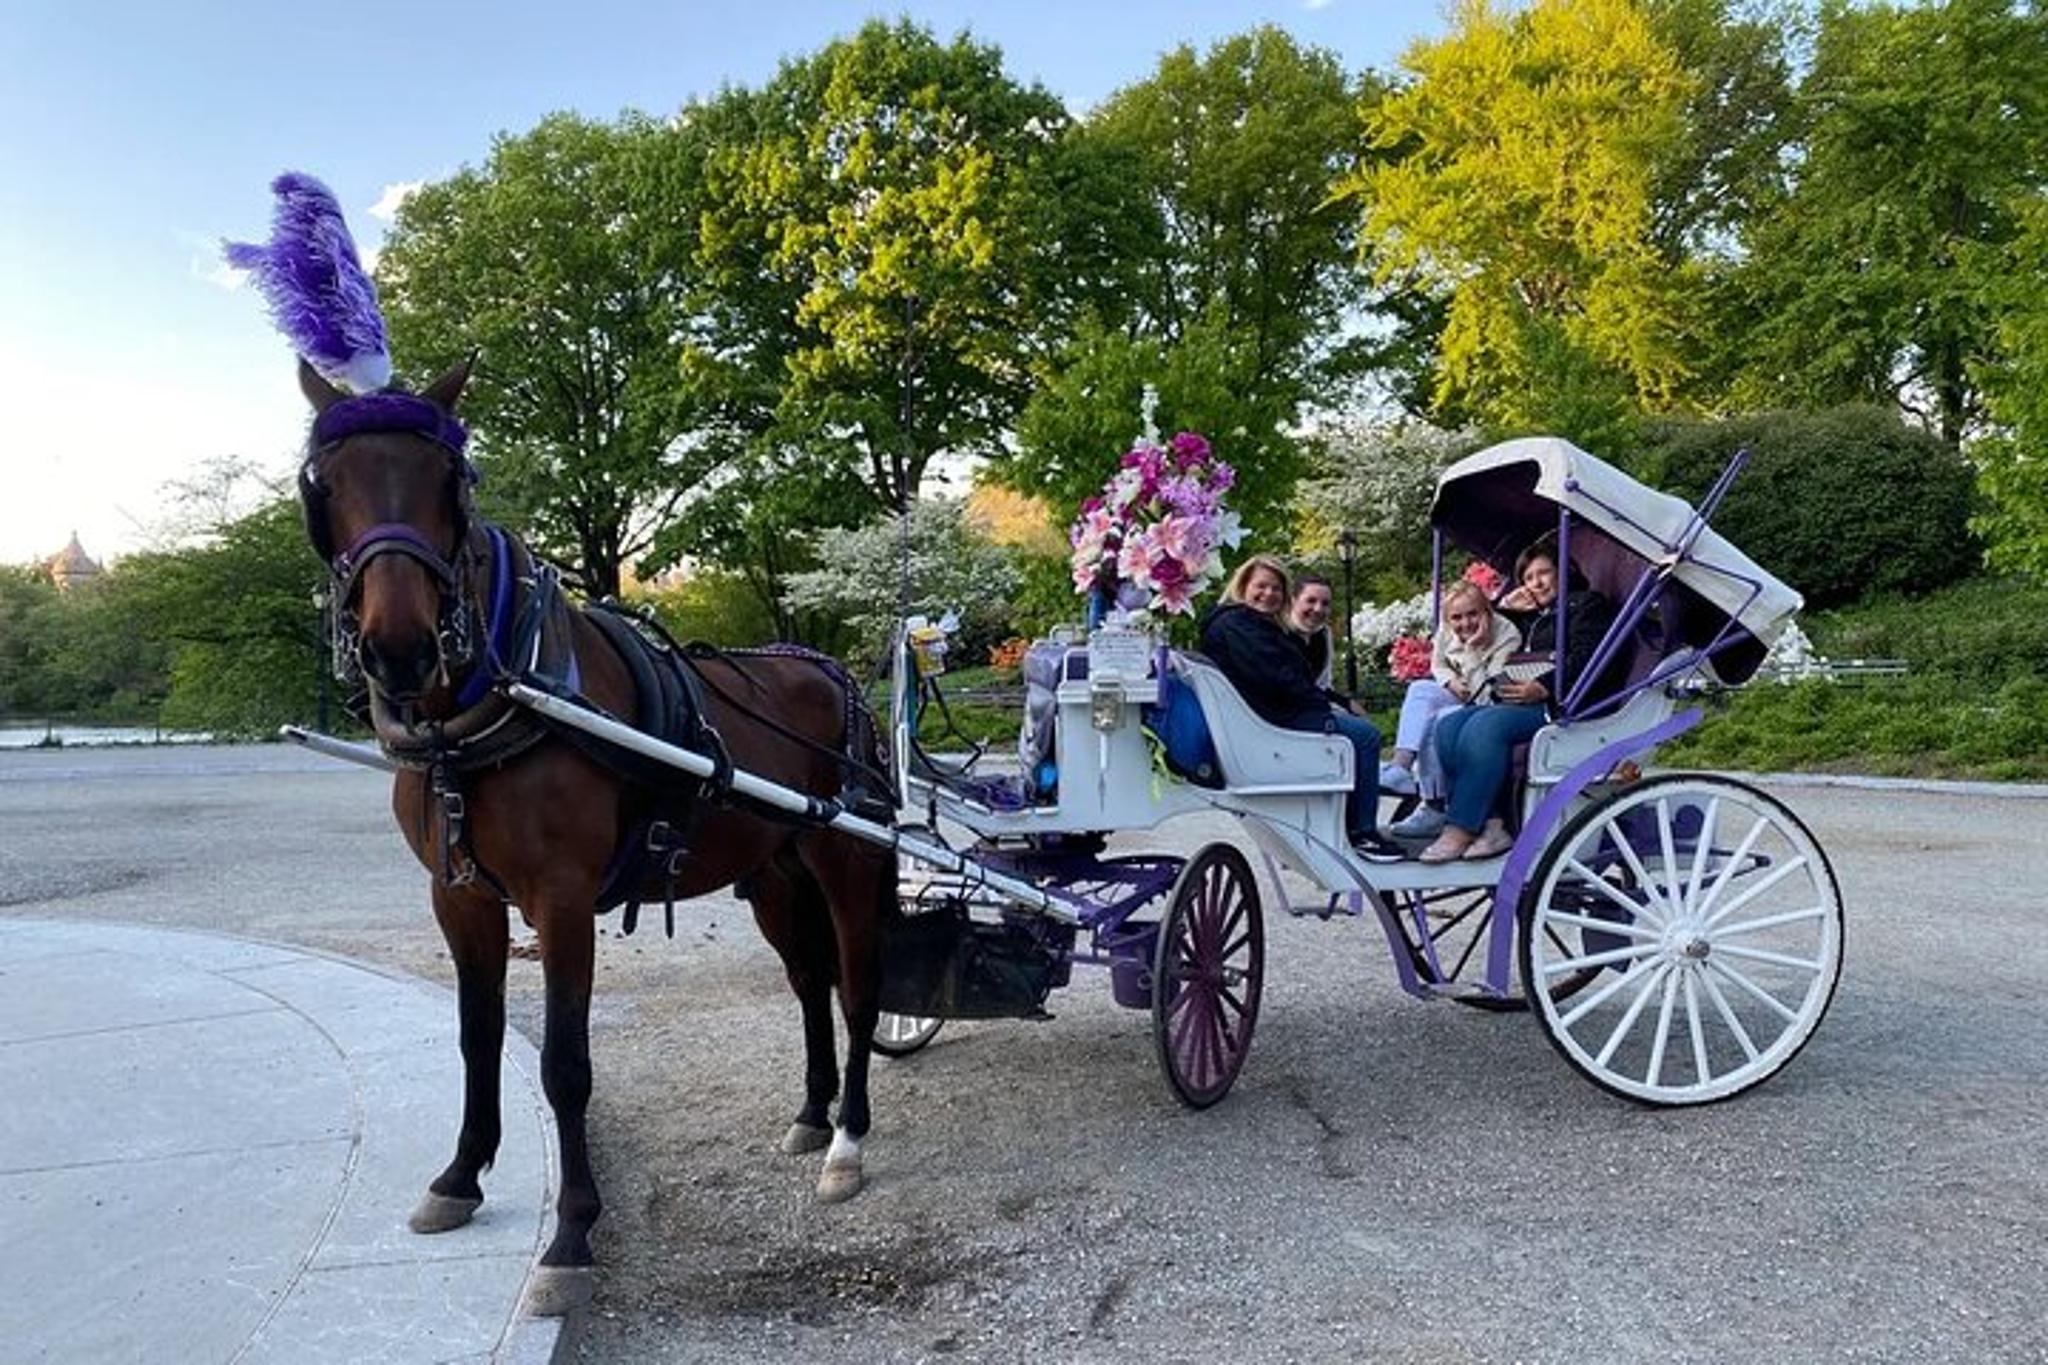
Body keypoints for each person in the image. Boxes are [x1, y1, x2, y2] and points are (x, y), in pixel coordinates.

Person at [1419, 542, 1616, 863]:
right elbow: (1499, 636)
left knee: (1485, 726)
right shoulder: (1534, 615)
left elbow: (1590, 658)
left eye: (1543, 574)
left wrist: (1544, 687)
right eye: (1528, 577)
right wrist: (1506, 608)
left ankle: (1461, 827)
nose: (1535, 583)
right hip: (1522, 701)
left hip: (1565, 704)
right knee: (1449, 725)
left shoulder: (1586, 605)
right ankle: (1492, 824)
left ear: (1563, 572)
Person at [1200, 555, 1399, 860]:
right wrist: (1325, 707)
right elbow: (1279, 680)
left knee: (1354, 728)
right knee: (1364, 736)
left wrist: (1330, 703)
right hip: (1271, 721)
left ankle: (1347, 824)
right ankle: (1363, 834)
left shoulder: (1246, 624)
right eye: (1261, 586)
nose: (1269, 594)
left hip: (1262, 715)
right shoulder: (1241, 625)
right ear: (1243, 586)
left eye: (1276, 589)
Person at [1380, 578, 1522, 840]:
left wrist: (1470, 649)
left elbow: (1486, 692)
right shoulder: (1447, 630)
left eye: (1473, 614)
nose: (1465, 623)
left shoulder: (1507, 634)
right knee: (1421, 689)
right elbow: (1438, 665)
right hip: (1461, 691)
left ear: (1486, 612)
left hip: (1489, 703)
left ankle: (1435, 805)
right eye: (1457, 617)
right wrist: (1449, 681)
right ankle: (1401, 766)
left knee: (1443, 718)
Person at [1288, 574, 1338, 690]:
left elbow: (1324, 684)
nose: (1318, 609)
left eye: (1325, 603)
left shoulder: (1325, 634)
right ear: (1293, 600)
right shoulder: (1278, 632)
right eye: (1311, 601)